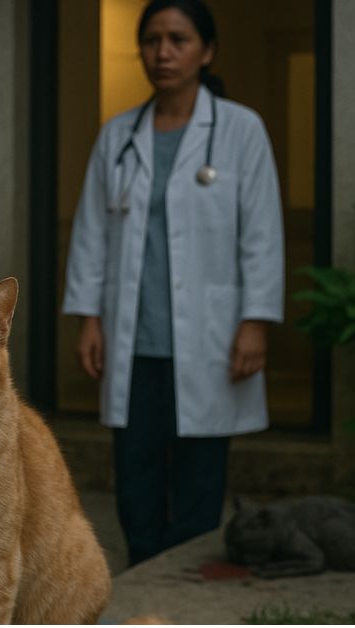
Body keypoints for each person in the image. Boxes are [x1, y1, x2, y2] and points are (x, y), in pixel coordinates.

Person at [62, 0, 283, 567]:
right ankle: (143, 575)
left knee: (198, 473)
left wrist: (254, 321)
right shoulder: (120, 135)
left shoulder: (240, 130)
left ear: (206, 51)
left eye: (179, 39)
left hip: (210, 337)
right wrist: (90, 317)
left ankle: (185, 584)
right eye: (153, 39)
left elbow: (261, 232)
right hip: (133, 339)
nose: (163, 52)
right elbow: (92, 231)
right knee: (134, 477)